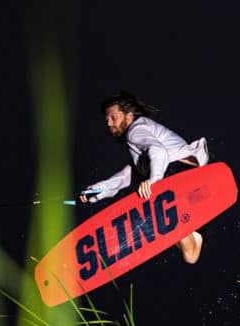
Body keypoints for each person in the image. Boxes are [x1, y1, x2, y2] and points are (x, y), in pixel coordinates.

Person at [80, 91, 209, 264]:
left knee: (148, 195)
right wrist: (95, 192)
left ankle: (172, 218)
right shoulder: (139, 150)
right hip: (193, 177)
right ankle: (190, 232)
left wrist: (153, 181)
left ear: (129, 116)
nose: (110, 123)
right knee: (191, 256)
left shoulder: (136, 130)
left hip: (176, 171)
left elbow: (158, 151)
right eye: (107, 121)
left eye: (113, 117)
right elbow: (124, 177)